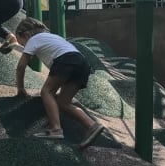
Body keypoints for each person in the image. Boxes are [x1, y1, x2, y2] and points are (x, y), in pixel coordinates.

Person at [14, 17, 106, 149]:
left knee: (46, 92)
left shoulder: (33, 39)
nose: (24, 46)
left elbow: (21, 66)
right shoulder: (52, 37)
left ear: (26, 34)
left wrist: (21, 88)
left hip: (66, 60)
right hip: (82, 63)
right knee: (64, 102)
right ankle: (92, 125)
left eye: (21, 42)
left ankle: (56, 129)